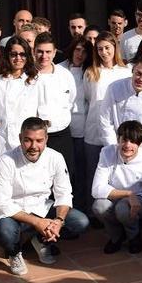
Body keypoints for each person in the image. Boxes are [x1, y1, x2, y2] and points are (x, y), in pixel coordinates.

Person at [0, 117, 90, 275]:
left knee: (80, 222)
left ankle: (41, 240)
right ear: (20, 139)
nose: (33, 146)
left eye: (39, 141)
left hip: (42, 207)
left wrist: (58, 221)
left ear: (46, 139)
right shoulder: (6, 161)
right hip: (15, 212)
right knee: (5, 232)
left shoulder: (55, 157)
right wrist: (38, 222)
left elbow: (64, 193)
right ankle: (14, 253)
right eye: (28, 140)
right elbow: (3, 204)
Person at [92, 120, 142, 254]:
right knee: (99, 206)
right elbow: (96, 189)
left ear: (141, 144)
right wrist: (129, 194)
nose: (127, 145)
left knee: (123, 209)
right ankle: (116, 236)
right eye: (124, 140)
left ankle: (134, 236)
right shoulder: (107, 152)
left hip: (140, 202)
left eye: (133, 141)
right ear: (118, 139)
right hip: (117, 196)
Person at [83, 32, 132, 219]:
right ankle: (94, 215)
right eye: (100, 49)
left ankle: (121, 213)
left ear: (115, 48)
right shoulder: (91, 72)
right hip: (94, 131)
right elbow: (89, 99)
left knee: (118, 174)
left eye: (107, 48)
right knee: (93, 174)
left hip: (119, 131)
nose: (104, 52)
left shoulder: (125, 71)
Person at [99, 55, 142, 162]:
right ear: (133, 70)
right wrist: (114, 150)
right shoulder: (114, 88)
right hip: (116, 147)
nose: (141, 79)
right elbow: (105, 122)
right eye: (138, 73)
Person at [34, 32, 78, 192]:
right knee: (40, 179)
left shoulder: (65, 74)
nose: (43, 56)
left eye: (47, 52)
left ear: (54, 52)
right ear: (34, 51)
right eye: (40, 51)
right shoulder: (27, 75)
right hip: (36, 137)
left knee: (65, 178)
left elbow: (70, 100)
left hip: (61, 134)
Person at [0, 37, 41, 155]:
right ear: (7, 56)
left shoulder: (35, 81)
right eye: (13, 54)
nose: (18, 58)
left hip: (29, 142)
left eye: (22, 54)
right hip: (3, 143)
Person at [59, 36, 89, 215]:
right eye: (77, 50)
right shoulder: (60, 68)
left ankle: (82, 208)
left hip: (85, 127)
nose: (80, 54)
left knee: (82, 171)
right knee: (66, 172)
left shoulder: (90, 71)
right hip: (64, 127)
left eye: (84, 51)